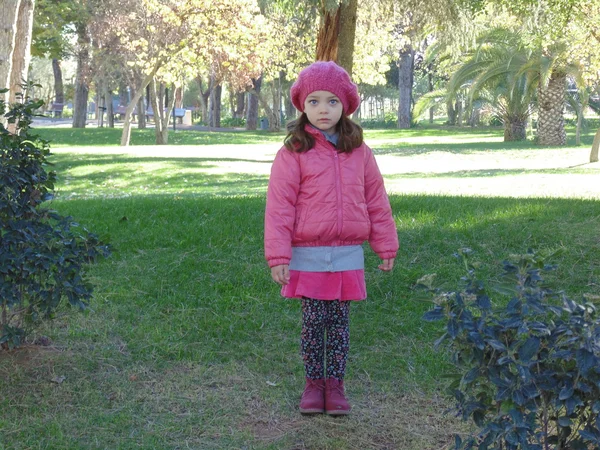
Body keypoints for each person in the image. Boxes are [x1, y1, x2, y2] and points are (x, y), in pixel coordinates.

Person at [264, 61, 399, 416]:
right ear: (302, 106)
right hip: (307, 253)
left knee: (338, 324)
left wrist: (385, 245)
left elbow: (376, 201)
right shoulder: (294, 151)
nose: (323, 109)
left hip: (346, 255)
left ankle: (335, 385)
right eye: (314, 102)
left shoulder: (360, 152)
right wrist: (278, 255)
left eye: (332, 102)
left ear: (346, 106)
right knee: (313, 324)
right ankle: (313, 385)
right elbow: (280, 206)